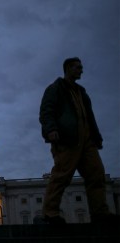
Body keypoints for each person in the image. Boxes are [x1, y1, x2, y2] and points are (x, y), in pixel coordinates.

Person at [39, 57, 119, 225]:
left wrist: (96, 137)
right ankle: (50, 213)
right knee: (61, 175)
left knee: (97, 174)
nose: (81, 70)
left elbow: (88, 116)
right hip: (67, 138)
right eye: (77, 67)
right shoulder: (55, 89)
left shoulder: (81, 92)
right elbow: (46, 111)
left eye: (81, 67)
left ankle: (100, 213)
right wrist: (51, 129)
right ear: (68, 68)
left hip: (87, 139)